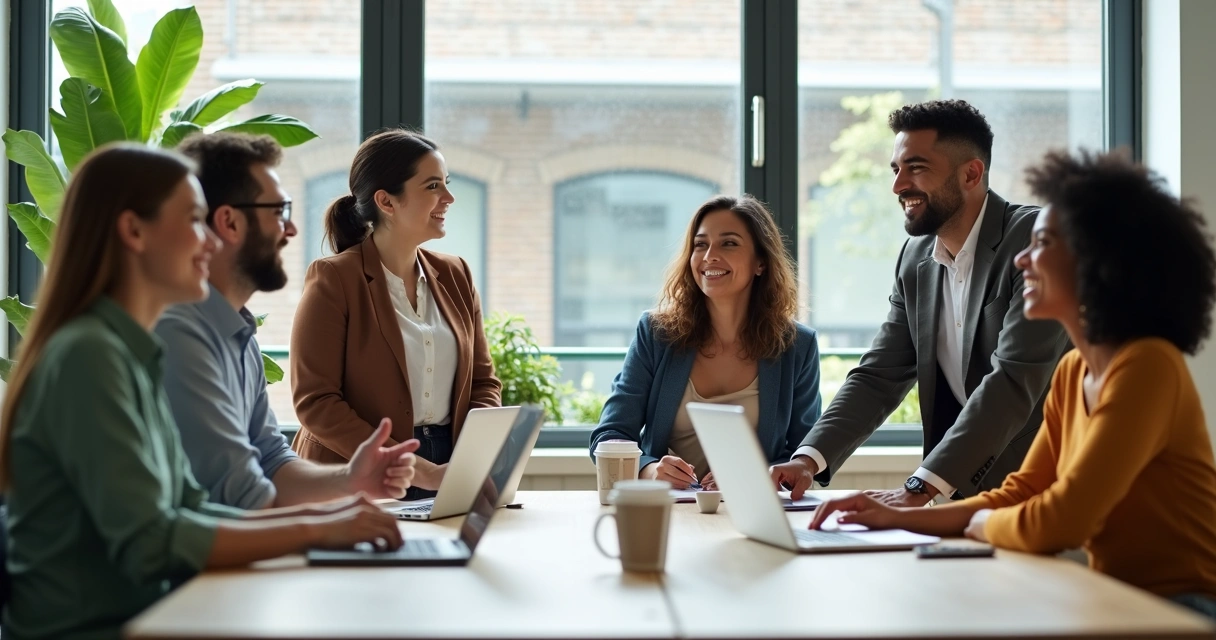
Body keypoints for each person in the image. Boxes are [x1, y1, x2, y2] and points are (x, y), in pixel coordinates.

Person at [0, 145, 407, 639]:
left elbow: (191, 507)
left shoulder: (129, 350)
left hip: (154, 615)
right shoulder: (91, 355)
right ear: (134, 232)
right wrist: (319, 529)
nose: (210, 243)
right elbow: (153, 541)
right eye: (195, 221)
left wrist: (340, 513)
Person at [810, 150, 1216, 618]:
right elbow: (1020, 491)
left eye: (1043, 243)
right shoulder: (1072, 373)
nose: (1022, 258)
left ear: (1096, 262)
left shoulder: (1148, 366)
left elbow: (1063, 519)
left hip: (1181, 609)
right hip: (1111, 600)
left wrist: (979, 523)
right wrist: (904, 517)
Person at [771, 99, 1070, 506]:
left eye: (916, 167)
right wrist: (807, 458)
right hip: (962, 497)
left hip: (1049, 488)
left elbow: (1013, 382)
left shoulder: (1034, 242)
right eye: (896, 169)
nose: (898, 186)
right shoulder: (915, 260)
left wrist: (920, 486)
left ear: (971, 173)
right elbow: (879, 375)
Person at [154, 132, 420, 510]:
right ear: (229, 222)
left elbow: (272, 461)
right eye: (279, 212)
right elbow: (239, 497)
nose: (291, 230)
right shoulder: (178, 334)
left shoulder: (238, 333)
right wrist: (336, 526)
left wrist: (352, 479)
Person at [291, 129, 502, 500]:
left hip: (448, 467)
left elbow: (483, 382)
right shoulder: (334, 278)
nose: (449, 198)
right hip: (355, 472)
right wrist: (416, 469)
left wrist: (470, 459)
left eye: (446, 184)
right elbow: (316, 401)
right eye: (433, 186)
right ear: (387, 202)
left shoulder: (457, 274)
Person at [589, 195, 822, 489]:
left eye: (729, 243)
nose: (710, 255)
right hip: (666, 508)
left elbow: (803, 455)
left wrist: (756, 476)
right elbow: (609, 435)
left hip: (753, 510)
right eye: (700, 244)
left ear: (760, 262)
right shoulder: (655, 333)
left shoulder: (798, 345)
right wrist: (648, 470)